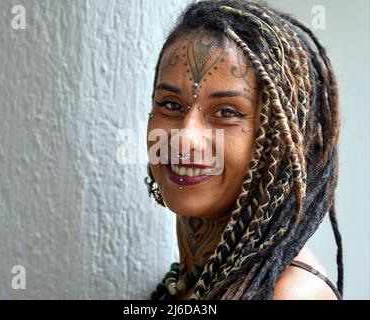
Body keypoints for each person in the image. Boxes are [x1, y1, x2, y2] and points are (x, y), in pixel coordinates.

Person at [145, 0, 343, 300]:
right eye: (171, 105)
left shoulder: (290, 294)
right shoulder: (192, 284)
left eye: (226, 112)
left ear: (279, 137)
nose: (185, 138)